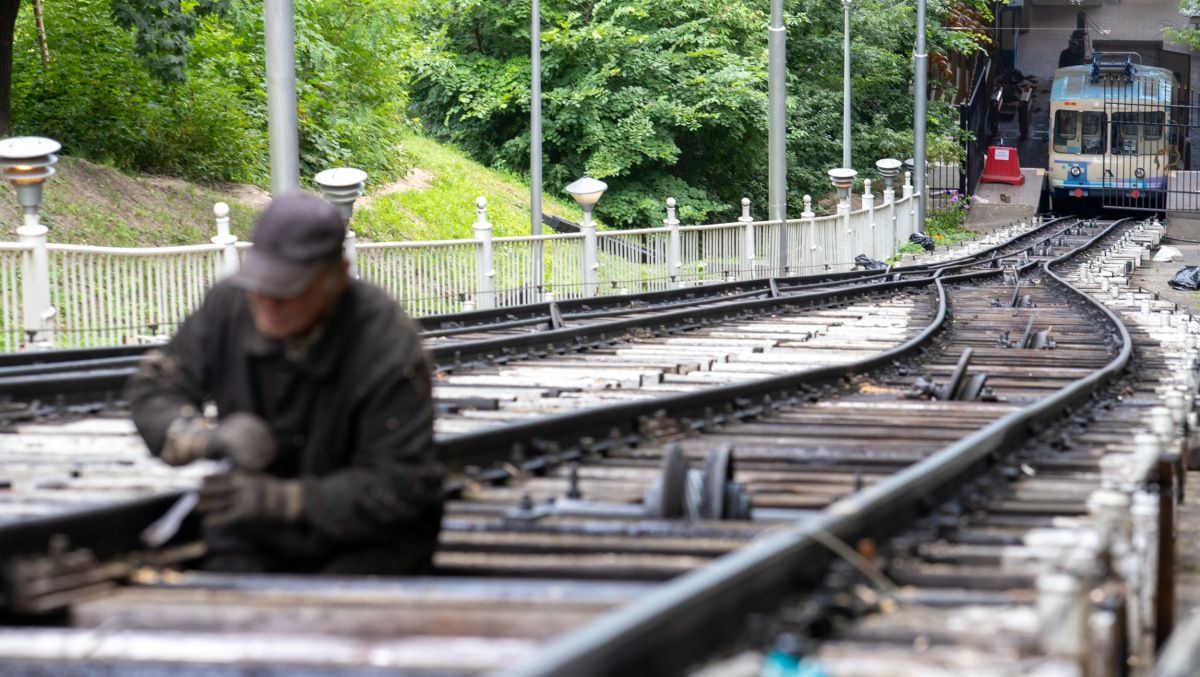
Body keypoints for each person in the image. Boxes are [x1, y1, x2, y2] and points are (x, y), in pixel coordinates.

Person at [126, 192, 443, 575]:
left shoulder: (386, 340)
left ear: (336, 279)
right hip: (254, 536)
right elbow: (154, 390)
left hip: (367, 545)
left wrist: (282, 501)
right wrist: (203, 439)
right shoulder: (230, 305)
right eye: (261, 284)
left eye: (288, 289)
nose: (268, 302)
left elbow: (400, 484)